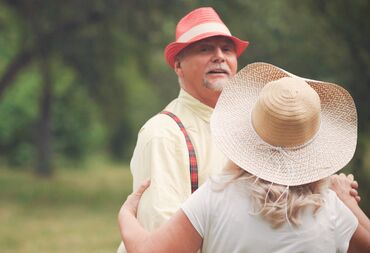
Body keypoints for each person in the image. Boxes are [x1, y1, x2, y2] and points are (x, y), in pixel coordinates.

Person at [118, 62, 370, 253]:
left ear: (248, 134)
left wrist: (127, 213)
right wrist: (347, 201)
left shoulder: (214, 197)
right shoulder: (329, 208)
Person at [117, 6, 250, 253]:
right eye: (205, 49)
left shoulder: (250, 128)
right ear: (178, 65)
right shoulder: (163, 134)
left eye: (227, 49)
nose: (219, 56)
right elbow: (162, 241)